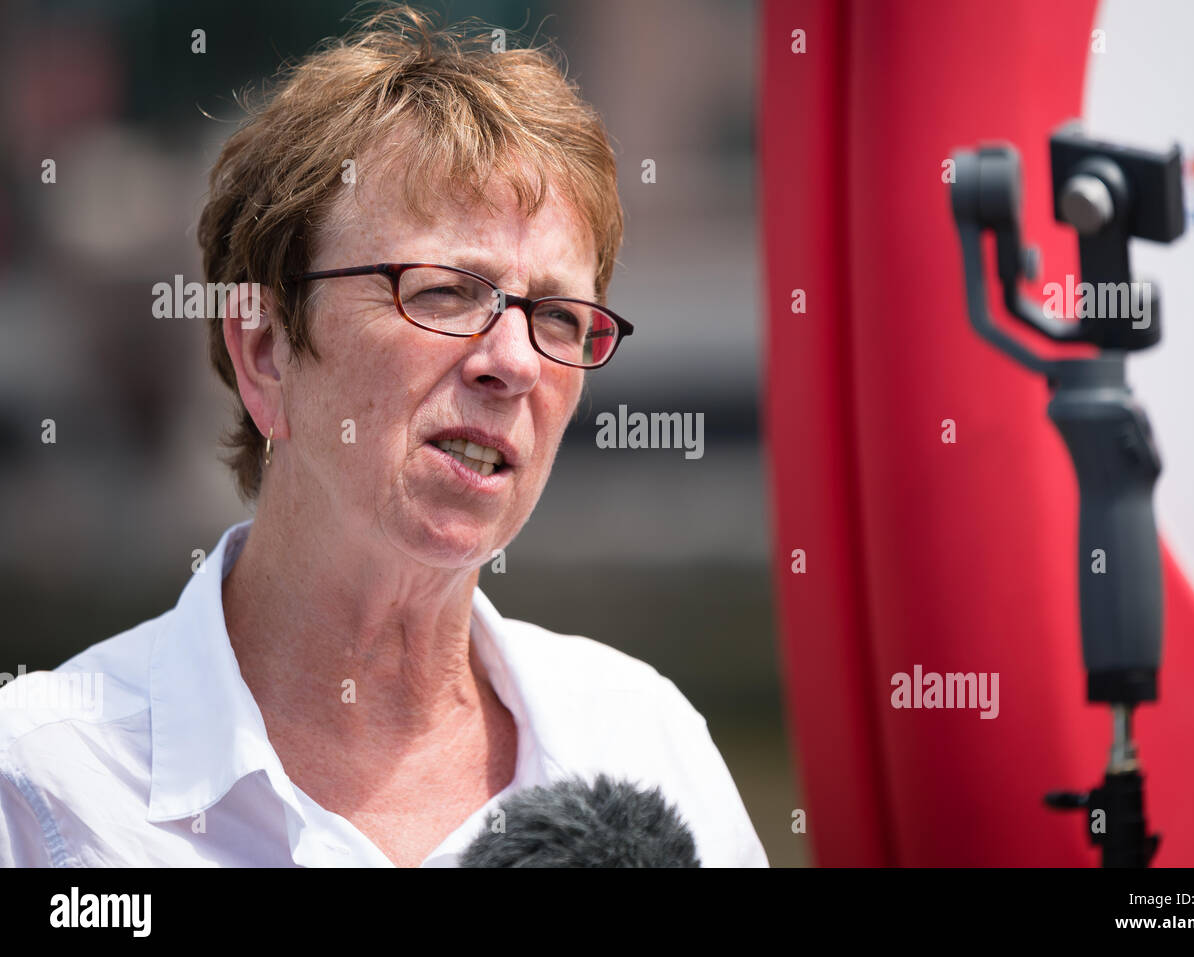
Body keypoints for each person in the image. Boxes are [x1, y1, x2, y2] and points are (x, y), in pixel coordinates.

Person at [0, 7, 768, 868]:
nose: (512, 360)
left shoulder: (647, 742)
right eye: (442, 291)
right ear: (265, 352)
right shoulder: (44, 787)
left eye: (557, 314)